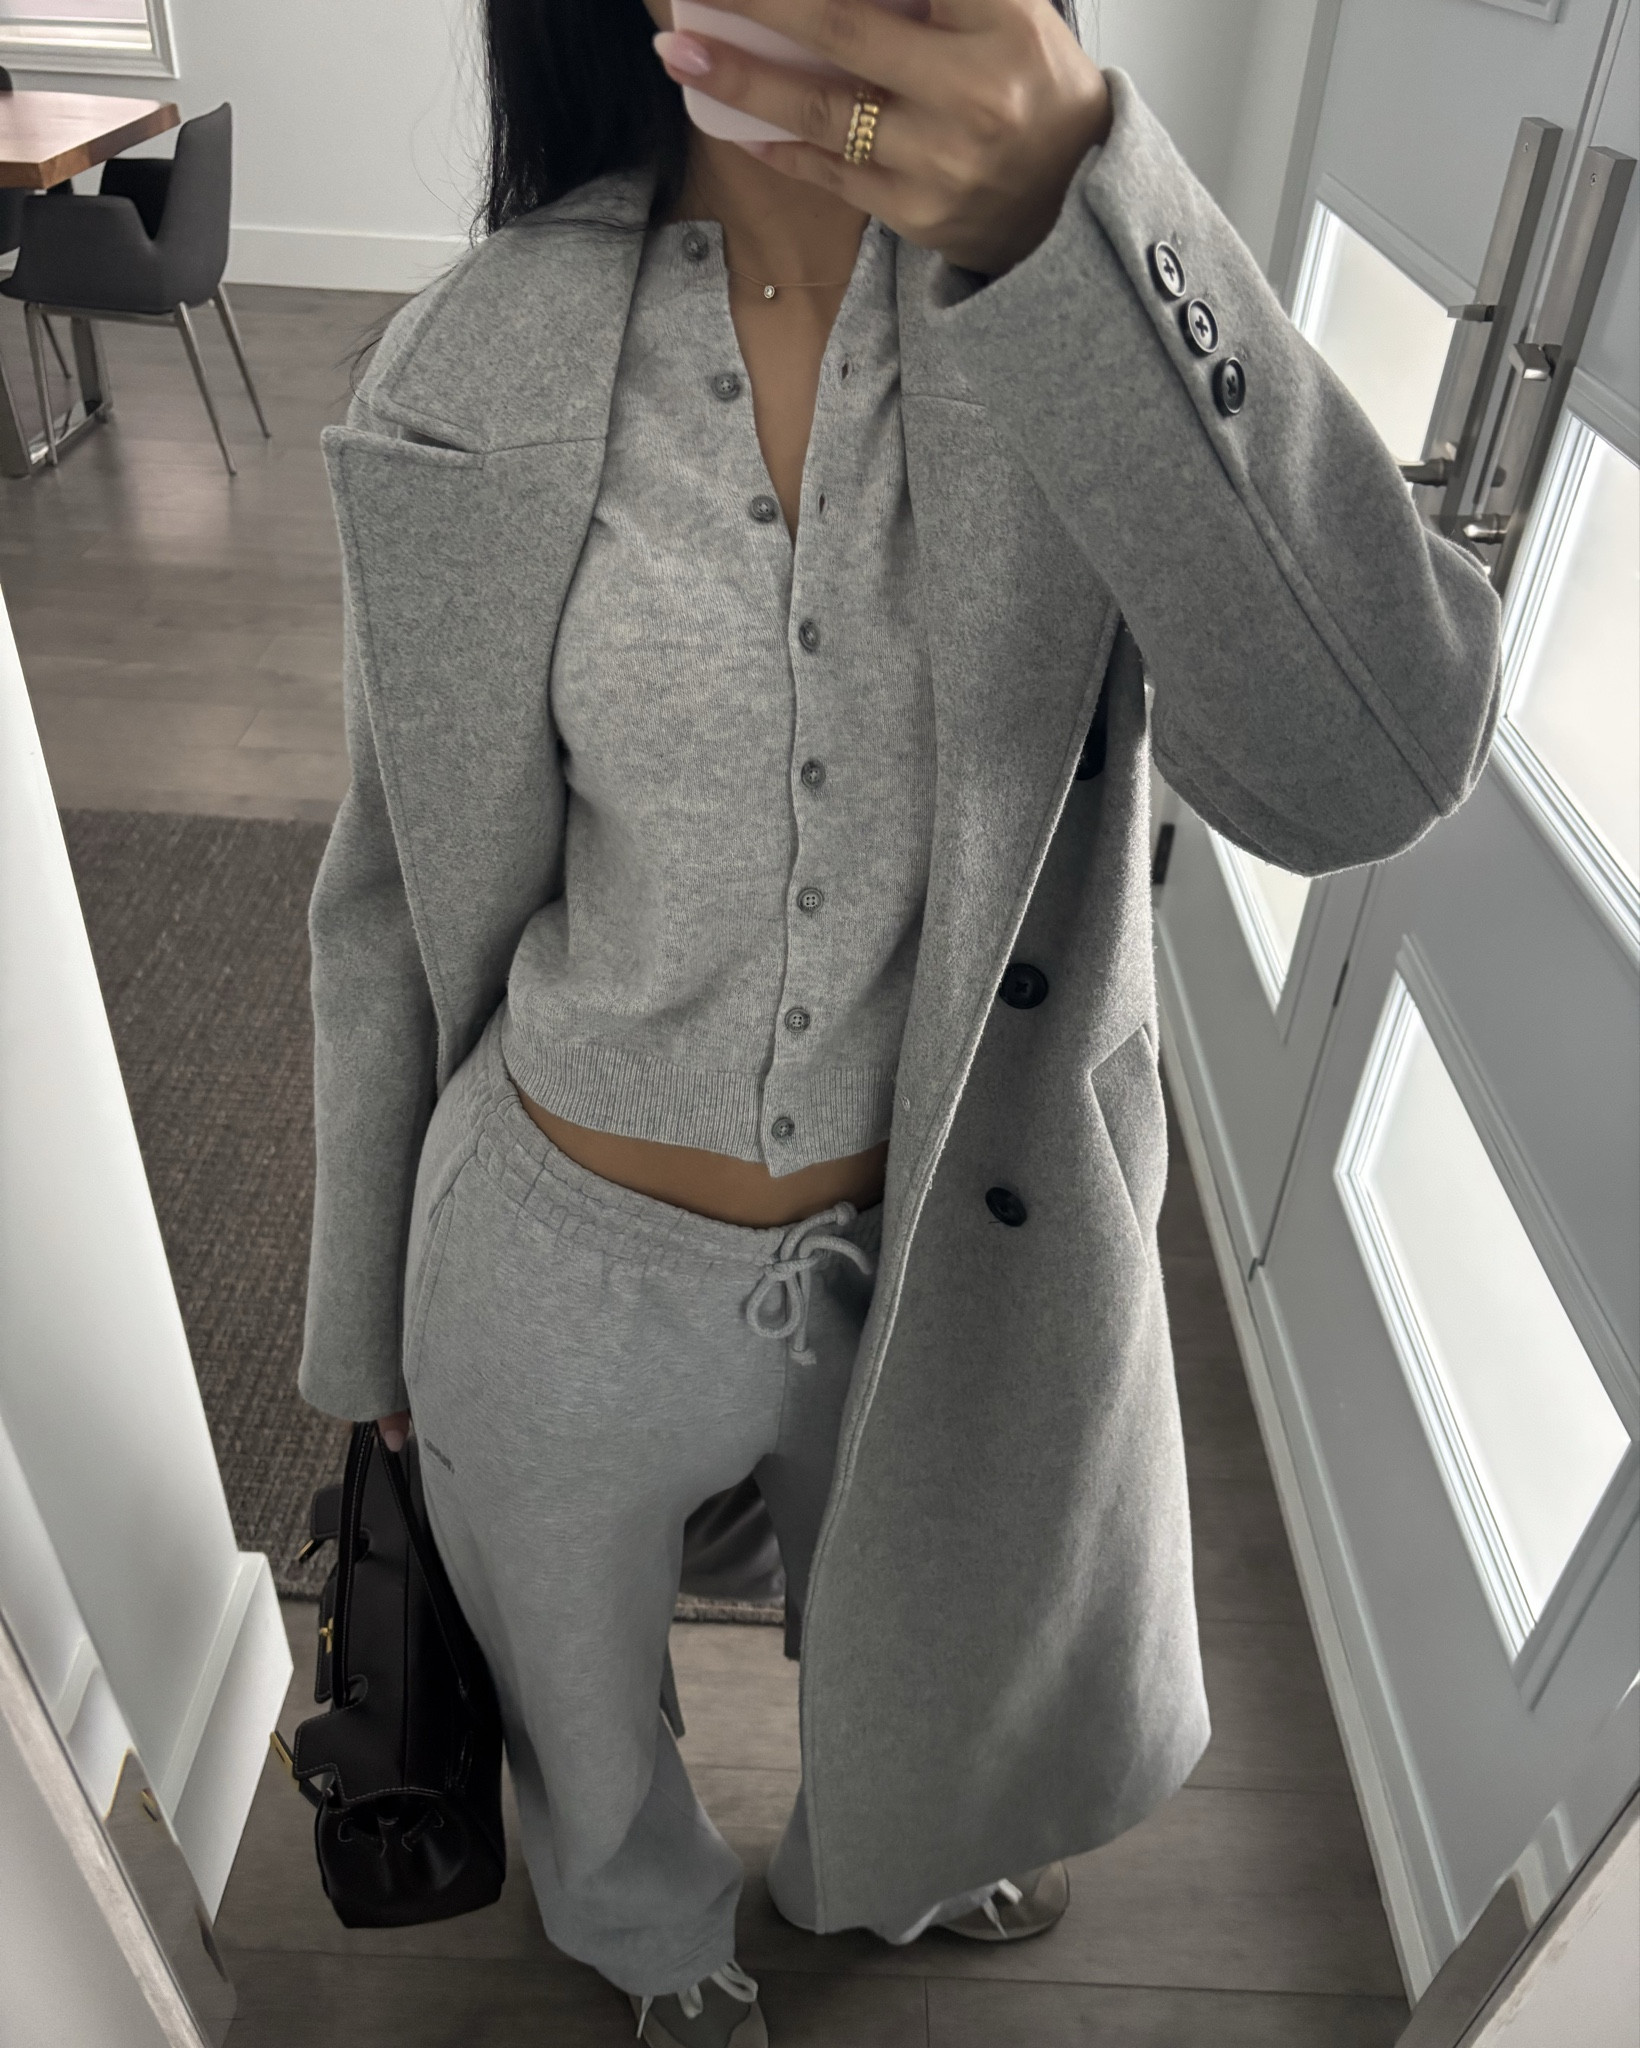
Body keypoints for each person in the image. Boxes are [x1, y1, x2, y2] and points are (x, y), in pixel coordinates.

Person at [298, 2, 1502, 2041]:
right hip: (546, 1267)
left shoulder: (1091, 322)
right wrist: (357, 1332)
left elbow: (1363, 764)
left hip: (958, 1258)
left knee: (945, 1683)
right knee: (577, 1723)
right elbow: (387, 887)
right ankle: (644, 1935)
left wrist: (1083, 201)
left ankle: (905, 1858)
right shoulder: (474, 354)